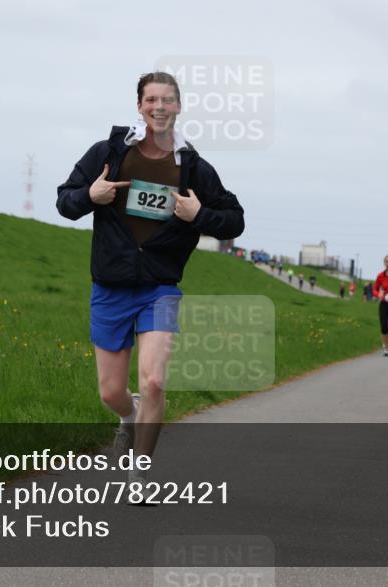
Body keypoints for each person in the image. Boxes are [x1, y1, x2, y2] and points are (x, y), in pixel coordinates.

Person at [56, 71, 244, 488]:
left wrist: (200, 215)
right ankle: (129, 414)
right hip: (111, 286)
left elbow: (235, 220)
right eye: (151, 100)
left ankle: (140, 472)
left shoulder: (193, 168)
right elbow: (64, 201)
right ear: (139, 106)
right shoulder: (108, 153)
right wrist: (90, 196)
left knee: (155, 380)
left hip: (160, 287)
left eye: (167, 99)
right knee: (111, 392)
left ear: (179, 106)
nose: (160, 107)